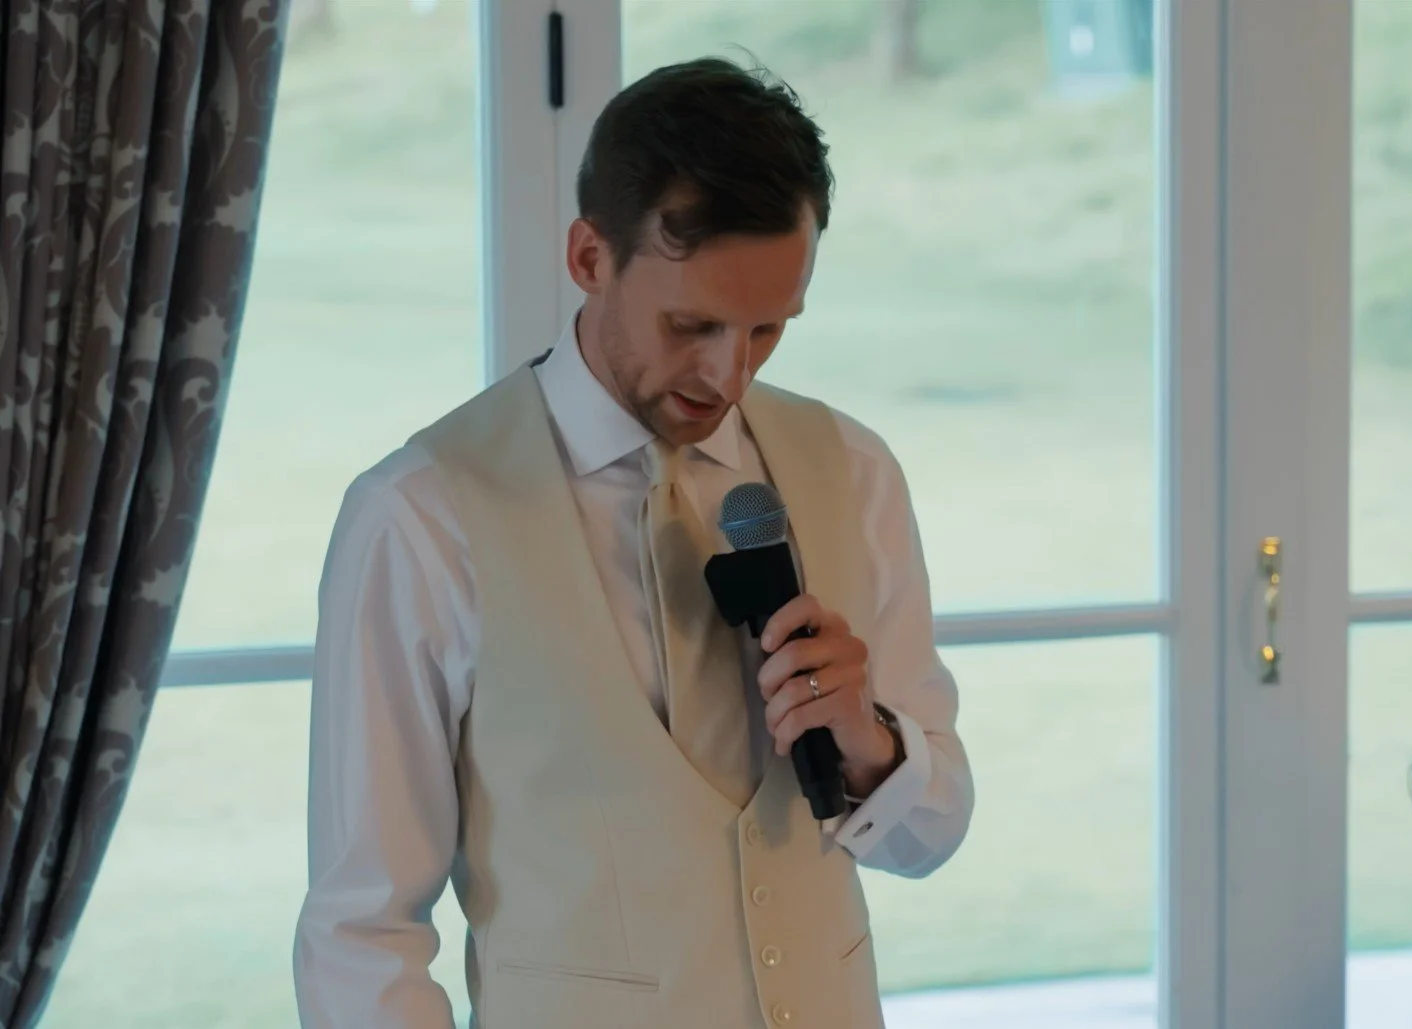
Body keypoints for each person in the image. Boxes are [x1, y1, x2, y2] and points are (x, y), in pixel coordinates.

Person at [292, 57, 973, 1028]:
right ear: (587, 258)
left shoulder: (855, 472)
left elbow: (931, 834)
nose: (729, 373)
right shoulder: (420, 518)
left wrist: (871, 746)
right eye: (692, 324)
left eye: (769, 331)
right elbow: (364, 931)